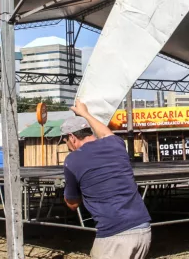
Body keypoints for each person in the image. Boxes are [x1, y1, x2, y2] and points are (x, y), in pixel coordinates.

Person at [61, 100, 151, 259]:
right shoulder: (116, 143)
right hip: (143, 229)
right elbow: (105, 133)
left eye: (66, 141)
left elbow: (73, 204)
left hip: (114, 234)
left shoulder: (72, 160)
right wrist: (85, 114)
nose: (67, 146)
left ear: (72, 137)